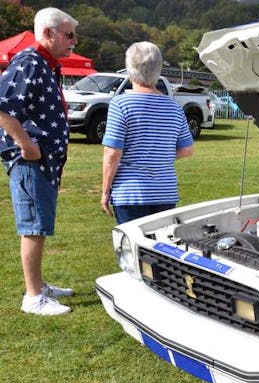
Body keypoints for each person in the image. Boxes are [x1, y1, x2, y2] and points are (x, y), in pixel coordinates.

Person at [0, 8, 78, 316]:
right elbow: (2, 106)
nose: (74, 41)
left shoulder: (45, 64)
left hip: (44, 163)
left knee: (39, 225)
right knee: (32, 226)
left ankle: (39, 285)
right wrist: (25, 144)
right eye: (69, 34)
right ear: (48, 33)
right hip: (31, 162)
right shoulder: (29, 62)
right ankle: (33, 296)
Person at [101, 41, 194, 225]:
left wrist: (105, 190)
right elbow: (187, 150)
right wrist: (160, 155)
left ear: (129, 69)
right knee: (159, 249)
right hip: (165, 192)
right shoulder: (174, 108)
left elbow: (112, 153)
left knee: (132, 250)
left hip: (131, 192)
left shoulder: (121, 105)